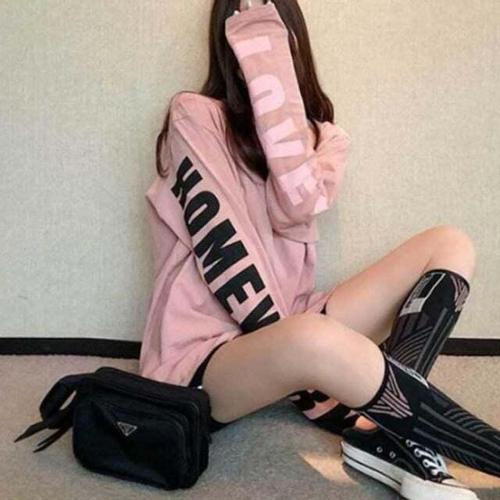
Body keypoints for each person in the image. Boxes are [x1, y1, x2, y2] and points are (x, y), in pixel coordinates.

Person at [139, 1, 500, 498]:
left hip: (292, 326)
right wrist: (317, 390)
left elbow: (295, 204)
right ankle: (425, 438)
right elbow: (224, 252)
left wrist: (276, 89)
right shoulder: (194, 115)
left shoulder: (324, 139)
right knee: (310, 336)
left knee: (449, 243)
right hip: (203, 359)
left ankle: (382, 436)